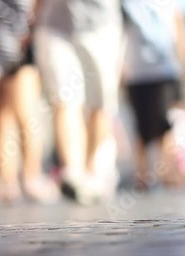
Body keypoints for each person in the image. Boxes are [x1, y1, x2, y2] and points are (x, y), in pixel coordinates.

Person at [34, 0, 124, 204]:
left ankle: (91, 170)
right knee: (64, 100)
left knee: (100, 104)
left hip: (102, 24)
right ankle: (74, 173)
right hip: (56, 24)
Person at [0, 0, 59, 203]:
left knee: (26, 115)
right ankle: (8, 182)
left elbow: (40, 9)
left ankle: (31, 177)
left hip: (22, 52)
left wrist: (34, 34)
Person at [122, 0, 185, 189]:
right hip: (136, 73)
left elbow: (180, 33)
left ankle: (167, 173)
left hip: (165, 72)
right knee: (140, 127)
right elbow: (120, 34)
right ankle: (142, 175)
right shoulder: (128, 3)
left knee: (165, 125)